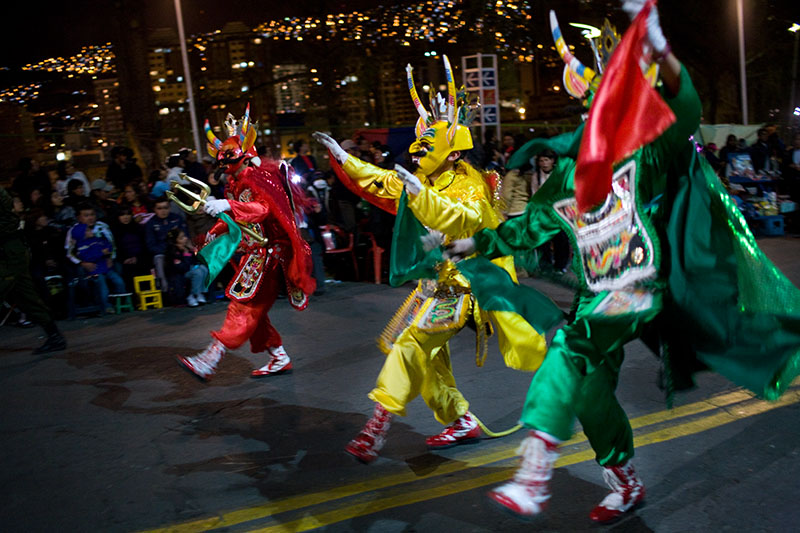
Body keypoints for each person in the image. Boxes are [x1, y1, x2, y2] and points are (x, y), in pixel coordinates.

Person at [446, 1, 800, 523]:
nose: (599, 116)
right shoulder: (568, 175)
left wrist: (658, 46)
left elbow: (687, 112)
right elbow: (530, 226)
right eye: (592, 107)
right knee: (589, 394)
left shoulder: (646, 152)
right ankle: (624, 479)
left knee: (570, 345)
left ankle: (536, 463)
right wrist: (476, 244)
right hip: (597, 295)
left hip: (639, 285)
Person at [313, 55, 560, 463]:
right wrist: (343, 157)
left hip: (465, 284)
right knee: (428, 359)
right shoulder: (422, 177)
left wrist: (420, 196)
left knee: (410, 345)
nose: (416, 152)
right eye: (417, 144)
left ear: (452, 153)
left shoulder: (471, 186)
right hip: (435, 284)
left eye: (426, 145)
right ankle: (460, 420)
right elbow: (381, 180)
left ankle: (378, 423)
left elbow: (462, 219)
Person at [177, 105, 315, 379]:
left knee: (244, 305)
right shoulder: (236, 181)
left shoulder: (257, 176)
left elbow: (262, 210)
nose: (223, 164)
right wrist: (214, 231)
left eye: (228, 158)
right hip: (255, 252)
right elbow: (239, 218)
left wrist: (226, 205)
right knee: (254, 309)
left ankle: (210, 359)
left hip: (270, 253)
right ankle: (278, 356)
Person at [1, 187, 67, 354]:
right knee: (27, 297)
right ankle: (54, 336)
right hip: (9, 252)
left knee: (22, 293)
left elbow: (7, 204)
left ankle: (55, 336)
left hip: (8, 253)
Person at [69, 222, 126, 313]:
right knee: (103, 287)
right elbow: (87, 257)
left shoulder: (97, 239)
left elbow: (108, 244)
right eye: (87, 230)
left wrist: (108, 250)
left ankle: (121, 302)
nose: (91, 231)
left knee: (119, 281)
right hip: (95, 271)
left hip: (106, 268)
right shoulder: (81, 246)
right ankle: (106, 306)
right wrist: (101, 253)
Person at [144, 197, 189, 294]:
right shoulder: (150, 224)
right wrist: (167, 251)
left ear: (169, 208)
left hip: (179, 251)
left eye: (165, 207)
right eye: (159, 208)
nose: (163, 211)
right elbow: (150, 245)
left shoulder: (177, 218)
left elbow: (185, 236)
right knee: (159, 259)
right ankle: (165, 291)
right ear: (154, 209)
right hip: (162, 253)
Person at [164, 228, 208, 307]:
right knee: (198, 272)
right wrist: (186, 254)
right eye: (181, 238)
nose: (185, 238)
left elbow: (195, 261)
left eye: (184, 236)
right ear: (175, 241)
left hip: (189, 269)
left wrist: (192, 251)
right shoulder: (172, 251)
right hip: (179, 274)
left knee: (203, 269)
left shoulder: (187, 248)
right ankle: (191, 295)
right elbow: (182, 268)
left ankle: (200, 293)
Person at [112, 206, 150, 292]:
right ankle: (134, 299)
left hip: (140, 258)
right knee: (128, 270)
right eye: (122, 215)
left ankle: (146, 297)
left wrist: (137, 258)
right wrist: (125, 259)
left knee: (143, 266)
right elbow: (116, 248)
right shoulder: (115, 231)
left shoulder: (139, 228)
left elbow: (144, 245)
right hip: (124, 260)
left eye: (128, 214)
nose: (125, 217)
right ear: (118, 217)